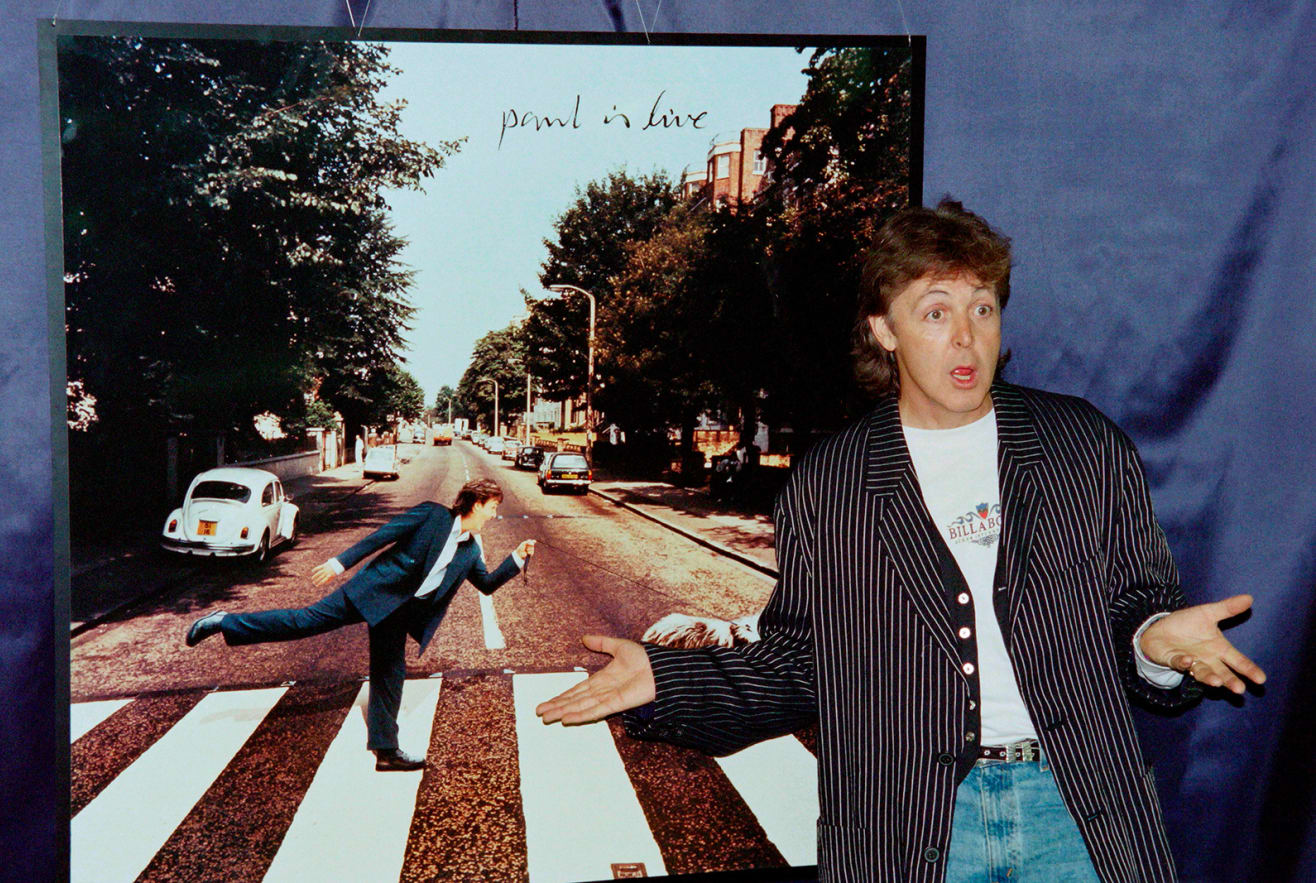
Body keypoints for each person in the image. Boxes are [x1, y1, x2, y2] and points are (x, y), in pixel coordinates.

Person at [536, 200, 1265, 881]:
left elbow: (1137, 606)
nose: (966, 336)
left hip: (1076, 811)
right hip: (909, 825)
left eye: (983, 308)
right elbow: (803, 661)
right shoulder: (834, 480)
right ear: (885, 328)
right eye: (936, 311)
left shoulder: (1082, 445)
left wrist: (1154, 643)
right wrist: (670, 680)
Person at [187, 478, 535, 771]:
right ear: (475, 503)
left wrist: (516, 559)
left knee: (389, 674)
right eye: (492, 507)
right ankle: (223, 622)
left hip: (399, 611)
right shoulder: (432, 515)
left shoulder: (471, 550)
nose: (494, 514)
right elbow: (382, 536)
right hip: (371, 591)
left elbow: (486, 584)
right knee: (305, 621)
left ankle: (386, 752)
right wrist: (340, 564)